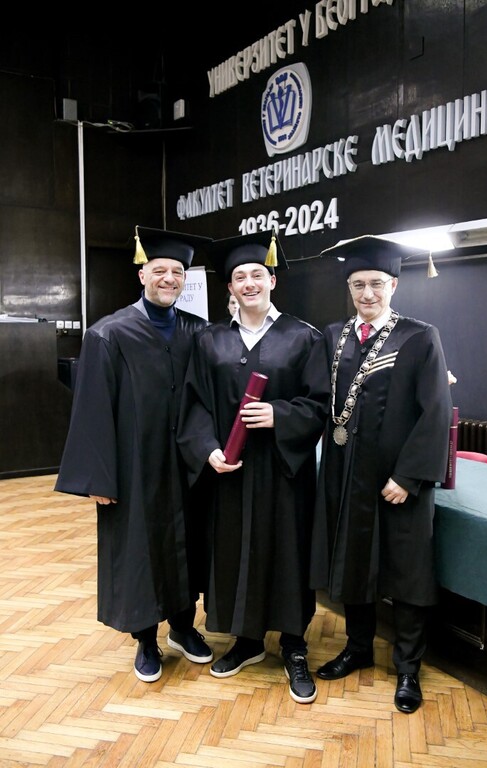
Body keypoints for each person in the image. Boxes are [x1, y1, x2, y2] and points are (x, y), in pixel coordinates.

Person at [55, 225, 214, 683]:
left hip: (186, 463)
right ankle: (145, 639)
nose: (169, 279)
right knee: (139, 549)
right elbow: (92, 411)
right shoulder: (108, 334)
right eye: (159, 270)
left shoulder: (198, 331)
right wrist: (98, 478)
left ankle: (183, 627)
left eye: (177, 272)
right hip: (134, 466)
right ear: (142, 274)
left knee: (188, 543)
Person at [177, 230, 330, 703]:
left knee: (287, 551)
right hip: (232, 471)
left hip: (284, 472)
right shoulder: (210, 340)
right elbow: (194, 403)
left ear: (272, 280)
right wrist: (207, 449)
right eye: (240, 277)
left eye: (257, 275)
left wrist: (279, 415)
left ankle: (294, 645)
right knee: (234, 550)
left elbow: (320, 403)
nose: (249, 283)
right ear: (229, 286)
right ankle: (247, 640)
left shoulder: (304, 337)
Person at [310, 235, 453, 714]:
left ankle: (408, 668)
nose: (367, 293)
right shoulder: (335, 336)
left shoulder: (419, 336)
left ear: (393, 285)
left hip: (398, 484)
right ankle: (357, 648)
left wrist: (409, 478)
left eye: (376, 283)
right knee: (353, 562)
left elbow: (435, 412)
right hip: (347, 475)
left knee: (407, 573)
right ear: (349, 287)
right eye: (358, 284)